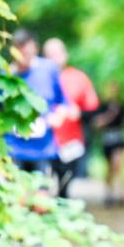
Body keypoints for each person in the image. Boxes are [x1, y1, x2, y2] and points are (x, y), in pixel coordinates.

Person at [4, 29, 68, 177]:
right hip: (14, 148)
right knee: (18, 197)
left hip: (43, 148)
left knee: (41, 196)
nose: (24, 58)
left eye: (28, 53)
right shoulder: (5, 76)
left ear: (36, 50)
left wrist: (57, 117)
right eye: (20, 53)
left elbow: (63, 102)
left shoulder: (48, 69)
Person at [44, 38, 100, 198]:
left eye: (57, 53)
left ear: (65, 54)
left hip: (71, 143)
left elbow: (93, 110)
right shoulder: (37, 77)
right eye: (50, 54)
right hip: (43, 143)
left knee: (64, 188)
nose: (54, 58)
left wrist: (78, 113)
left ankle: (62, 216)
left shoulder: (79, 78)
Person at [93, 81, 124, 207]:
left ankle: (120, 193)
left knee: (117, 165)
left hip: (119, 138)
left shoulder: (123, 106)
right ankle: (109, 194)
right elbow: (97, 123)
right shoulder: (103, 106)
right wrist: (110, 115)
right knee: (109, 168)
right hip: (107, 139)